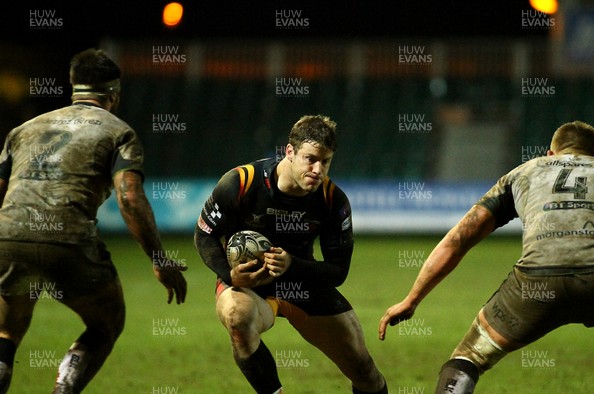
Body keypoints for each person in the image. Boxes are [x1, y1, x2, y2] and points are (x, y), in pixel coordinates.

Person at [0, 48, 187, 393]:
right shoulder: (119, 132)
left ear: (73, 86)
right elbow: (129, 198)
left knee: (7, 334)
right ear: (113, 94)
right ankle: (64, 389)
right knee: (105, 325)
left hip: (9, 236)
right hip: (67, 240)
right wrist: (159, 259)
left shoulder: (22, 130)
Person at [379, 120, 594, 393]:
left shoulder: (523, 173)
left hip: (536, 282)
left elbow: (459, 239)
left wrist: (412, 299)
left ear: (550, 154)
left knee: (468, 358)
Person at [194, 115, 387, 393]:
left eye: (326, 161)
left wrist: (292, 265)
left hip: (302, 282)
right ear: (289, 151)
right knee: (237, 316)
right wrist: (230, 274)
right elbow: (204, 235)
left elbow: (338, 271)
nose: (318, 170)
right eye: (310, 159)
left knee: (364, 371)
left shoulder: (333, 201)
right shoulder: (241, 182)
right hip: (249, 286)